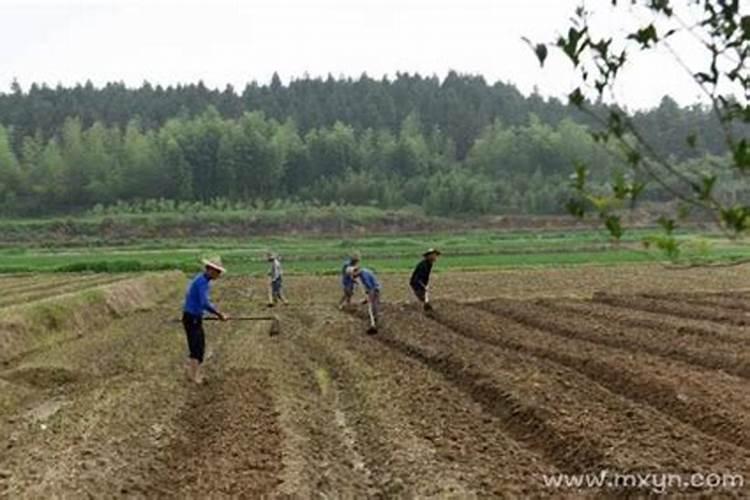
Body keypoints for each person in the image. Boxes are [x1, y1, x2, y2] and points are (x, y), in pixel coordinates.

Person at [182, 257, 228, 385]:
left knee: (198, 346)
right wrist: (219, 314)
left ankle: (192, 374)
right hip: (192, 318)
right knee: (197, 347)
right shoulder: (202, 281)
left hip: (193, 317)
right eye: (217, 271)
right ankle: (194, 377)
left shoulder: (201, 280)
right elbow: (204, 303)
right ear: (210, 270)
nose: (218, 275)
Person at [350, 265, 381, 334]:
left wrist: (369, 297)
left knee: (373, 307)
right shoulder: (363, 272)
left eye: (353, 274)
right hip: (373, 289)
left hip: (375, 290)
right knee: (372, 307)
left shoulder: (364, 275)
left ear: (356, 271)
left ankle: (375, 324)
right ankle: (374, 323)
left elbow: (370, 287)